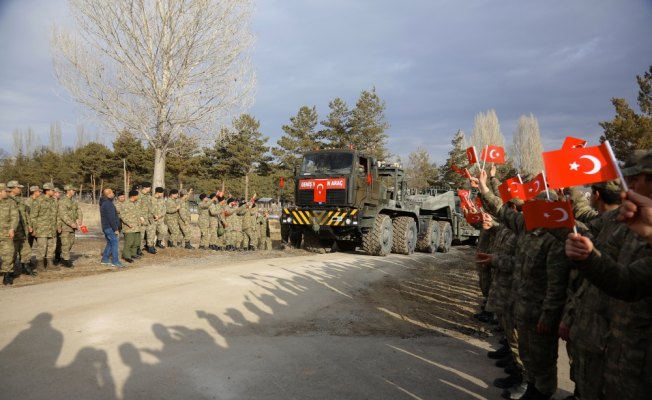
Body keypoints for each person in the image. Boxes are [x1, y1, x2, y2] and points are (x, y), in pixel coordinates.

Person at [477, 170, 570, 400]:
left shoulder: (556, 240)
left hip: (539, 313)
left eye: (533, 207)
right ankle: (531, 387)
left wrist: (549, 318)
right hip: (521, 306)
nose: (525, 210)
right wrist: (485, 189)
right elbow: (500, 211)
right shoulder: (528, 227)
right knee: (528, 355)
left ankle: (540, 392)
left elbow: (557, 285)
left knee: (543, 362)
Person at [7, 180, 36, 276]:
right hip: (12, 230)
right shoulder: (6, 200)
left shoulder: (20, 200)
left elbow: (25, 213)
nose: (20, 189)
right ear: (12, 188)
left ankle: (25, 267)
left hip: (23, 229)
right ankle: (10, 270)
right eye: (18, 188)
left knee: (25, 250)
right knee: (12, 251)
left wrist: (29, 225)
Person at [29, 183, 58, 270]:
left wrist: (58, 225)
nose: (54, 192)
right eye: (52, 190)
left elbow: (57, 215)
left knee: (51, 247)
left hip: (52, 228)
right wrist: (33, 228)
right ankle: (40, 265)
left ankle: (50, 264)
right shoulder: (38, 201)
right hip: (41, 229)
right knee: (42, 247)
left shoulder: (54, 201)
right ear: (48, 191)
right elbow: (33, 216)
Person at [57, 184, 83, 268]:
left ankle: (60, 256)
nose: (74, 192)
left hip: (73, 227)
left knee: (71, 242)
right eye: (73, 190)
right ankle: (66, 260)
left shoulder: (73, 201)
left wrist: (80, 218)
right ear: (68, 191)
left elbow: (78, 210)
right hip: (65, 226)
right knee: (65, 243)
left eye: (74, 190)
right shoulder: (62, 201)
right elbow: (63, 214)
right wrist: (71, 223)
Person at [0, 183, 19, 285]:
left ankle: (7, 274)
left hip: (6, 233)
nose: (8, 193)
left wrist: (12, 228)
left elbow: (15, 217)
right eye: (5, 191)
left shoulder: (11, 203)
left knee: (8, 253)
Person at [99, 188, 123, 268]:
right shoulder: (108, 204)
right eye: (112, 192)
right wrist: (115, 229)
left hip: (106, 227)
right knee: (114, 244)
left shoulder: (105, 203)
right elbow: (111, 218)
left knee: (109, 243)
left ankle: (105, 259)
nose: (113, 194)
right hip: (110, 227)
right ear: (108, 194)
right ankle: (115, 261)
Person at [120, 190, 143, 263]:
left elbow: (138, 213)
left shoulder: (135, 203)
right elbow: (122, 216)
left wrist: (141, 218)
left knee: (136, 242)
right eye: (137, 195)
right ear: (133, 196)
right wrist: (128, 223)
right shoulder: (125, 204)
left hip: (137, 226)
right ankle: (126, 255)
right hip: (129, 227)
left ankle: (133, 253)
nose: (138, 197)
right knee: (129, 242)